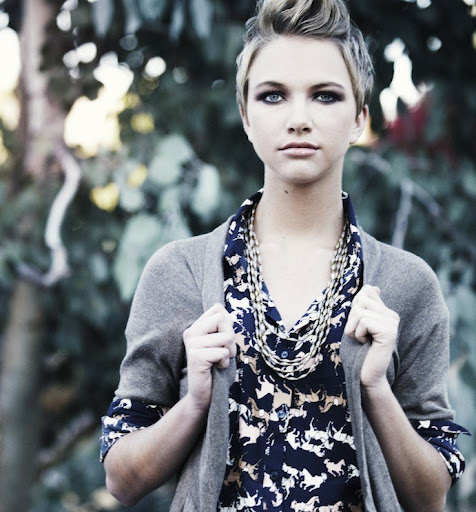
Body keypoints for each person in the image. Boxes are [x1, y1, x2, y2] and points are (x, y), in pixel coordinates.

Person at [100, 0, 468, 510]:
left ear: (359, 118)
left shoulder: (407, 285)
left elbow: (430, 498)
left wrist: (377, 389)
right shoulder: (180, 272)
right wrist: (195, 403)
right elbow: (121, 479)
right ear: (246, 117)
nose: (298, 119)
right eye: (273, 96)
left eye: (325, 96)